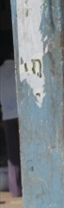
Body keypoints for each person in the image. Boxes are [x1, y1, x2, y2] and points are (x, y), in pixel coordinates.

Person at [0, 48, 21, 198]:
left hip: (7, 116)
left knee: (13, 153)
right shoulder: (19, 70)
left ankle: (16, 190)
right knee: (27, 149)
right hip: (22, 114)